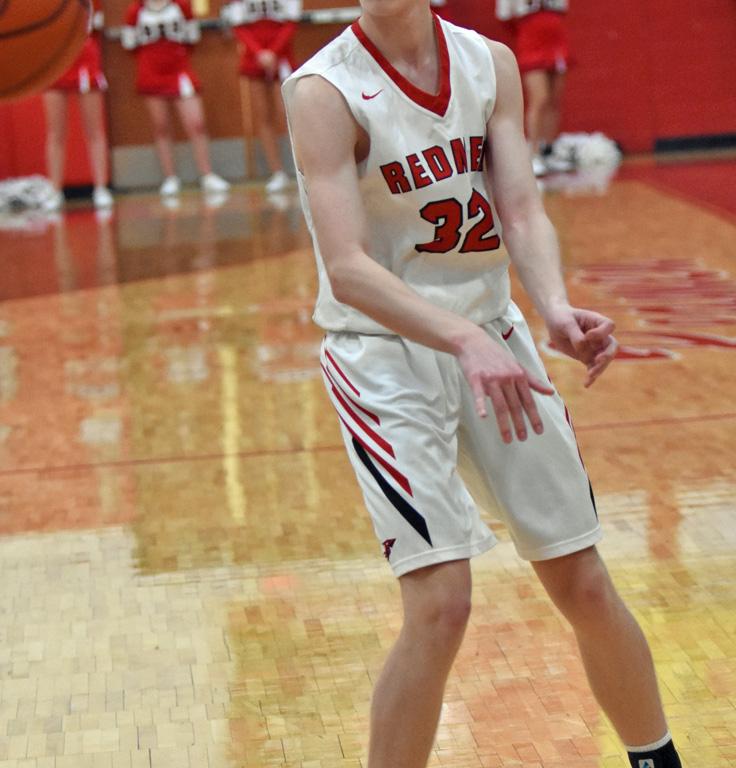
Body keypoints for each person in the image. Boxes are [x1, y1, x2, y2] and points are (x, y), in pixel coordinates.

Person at [281, 2, 683, 767]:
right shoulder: (323, 91)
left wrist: (554, 307)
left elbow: (521, 211)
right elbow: (348, 269)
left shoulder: (488, 63)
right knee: (440, 605)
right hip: (384, 355)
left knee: (582, 580)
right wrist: (461, 338)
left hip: (492, 333)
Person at [121, 0, 230, 197]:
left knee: (196, 123)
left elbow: (192, 38)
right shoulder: (135, 11)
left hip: (180, 70)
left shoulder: (182, 5)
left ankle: (207, 175)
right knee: (160, 126)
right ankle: (170, 178)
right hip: (150, 72)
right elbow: (129, 44)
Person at [221, 0, 300, 194]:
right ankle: (277, 172)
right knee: (263, 116)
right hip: (254, 60)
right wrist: (259, 53)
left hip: (282, 57)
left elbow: (291, 22)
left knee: (289, 113)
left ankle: (305, 168)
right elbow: (238, 27)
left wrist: (273, 52)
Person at [43, 1, 113, 211]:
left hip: (83, 56)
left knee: (94, 130)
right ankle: (55, 191)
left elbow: (96, 22)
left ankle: (101, 188)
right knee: (55, 132)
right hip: (53, 58)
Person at [496, 0, 572, 175]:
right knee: (540, 98)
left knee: (554, 99)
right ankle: (534, 153)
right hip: (531, 41)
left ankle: (549, 151)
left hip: (556, 40)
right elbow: (505, 18)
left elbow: (563, 9)